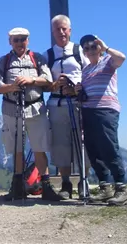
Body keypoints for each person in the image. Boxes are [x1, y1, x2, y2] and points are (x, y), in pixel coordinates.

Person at [0, 27, 61, 201]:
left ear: (28, 41)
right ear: (10, 42)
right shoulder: (3, 61)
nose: (20, 43)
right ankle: (17, 186)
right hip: (11, 109)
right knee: (17, 149)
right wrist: (11, 87)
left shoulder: (37, 58)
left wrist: (31, 80)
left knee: (40, 147)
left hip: (36, 108)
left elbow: (48, 80)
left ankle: (45, 186)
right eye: (16, 40)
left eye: (23, 39)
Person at [74, 34, 127, 206]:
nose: (90, 50)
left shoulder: (108, 61)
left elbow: (122, 58)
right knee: (93, 149)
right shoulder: (85, 70)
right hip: (88, 111)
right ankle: (105, 187)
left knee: (109, 146)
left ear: (99, 47)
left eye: (93, 46)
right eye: (86, 48)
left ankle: (121, 188)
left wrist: (106, 48)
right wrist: (78, 89)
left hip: (106, 110)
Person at [43, 14, 91, 200]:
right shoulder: (47, 55)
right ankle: (65, 183)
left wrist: (77, 88)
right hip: (57, 104)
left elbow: (90, 75)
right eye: (57, 29)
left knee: (82, 142)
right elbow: (44, 83)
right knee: (60, 144)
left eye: (64, 28)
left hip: (79, 103)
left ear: (70, 30)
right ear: (53, 32)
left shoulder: (80, 52)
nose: (61, 32)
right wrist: (54, 85)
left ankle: (83, 181)